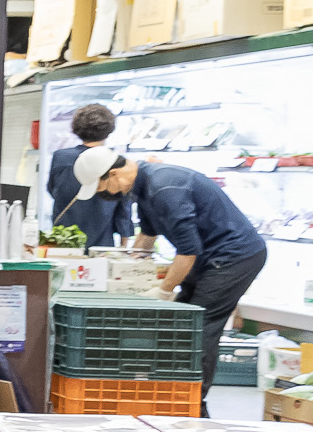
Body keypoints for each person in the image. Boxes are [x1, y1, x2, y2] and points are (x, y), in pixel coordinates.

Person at [73, 147, 269, 391]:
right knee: (181, 322)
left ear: (113, 175)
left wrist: (164, 291)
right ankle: (173, 391)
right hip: (207, 257)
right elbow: (147, 233)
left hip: (234, 257)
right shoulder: (142, 187)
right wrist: (132, 268)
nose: (106, 195)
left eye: (103, 189)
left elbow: (188, 251)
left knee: (200, 325)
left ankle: (194, 400)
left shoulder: (165, 188)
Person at [46, 104, 131, 250]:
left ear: (77, 128)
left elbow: (52, 190)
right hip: (102, 244)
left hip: (64, 239)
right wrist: (124, 244)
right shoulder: (117, 161)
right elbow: (124, 209)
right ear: (109, 130)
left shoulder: (60, 158)